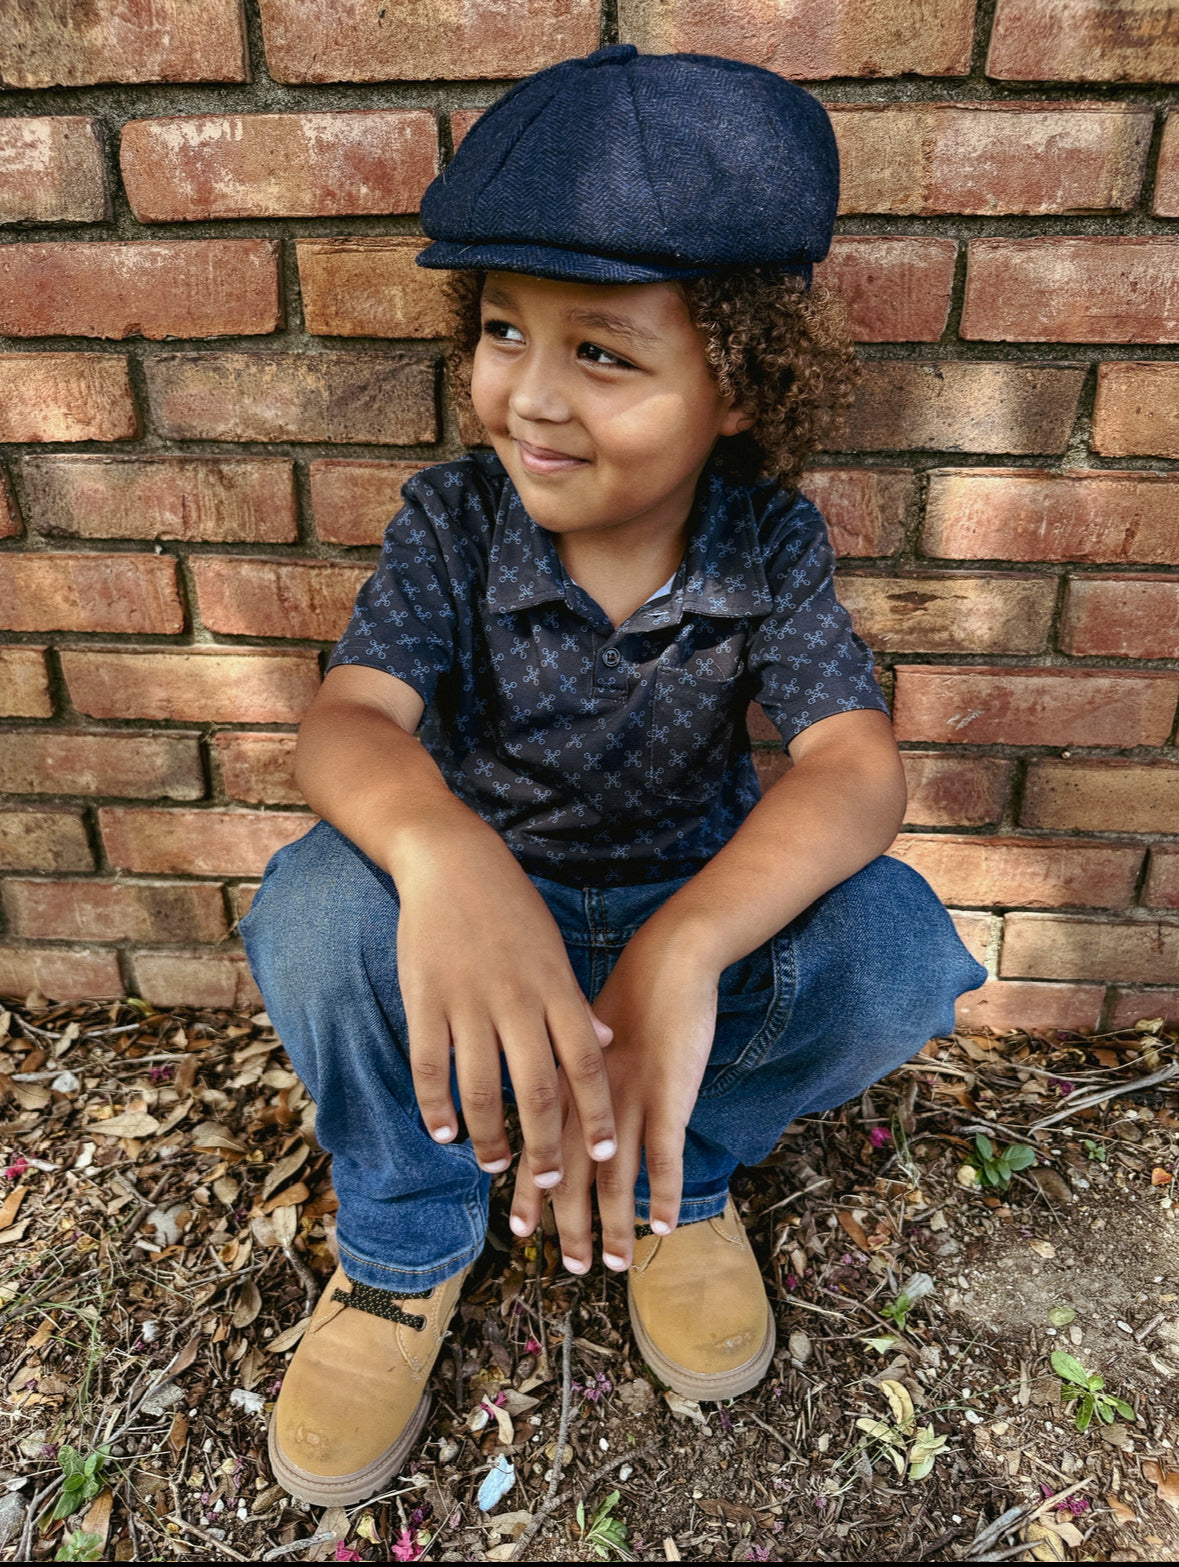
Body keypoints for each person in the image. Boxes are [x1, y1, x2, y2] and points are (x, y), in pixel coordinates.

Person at [240, 44, 986, 1506]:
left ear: (739, 384)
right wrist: (445, 857)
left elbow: (854, 766)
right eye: (503, 330)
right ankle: (403, 1244)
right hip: (479, 935)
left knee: (895, 942)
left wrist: (686, 949)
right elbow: (346, 725)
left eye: (603, 353)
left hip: (679, 924)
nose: (529, 396)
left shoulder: (766, 543)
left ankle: (674, 1173)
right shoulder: (455, 523)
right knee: (314, 910)